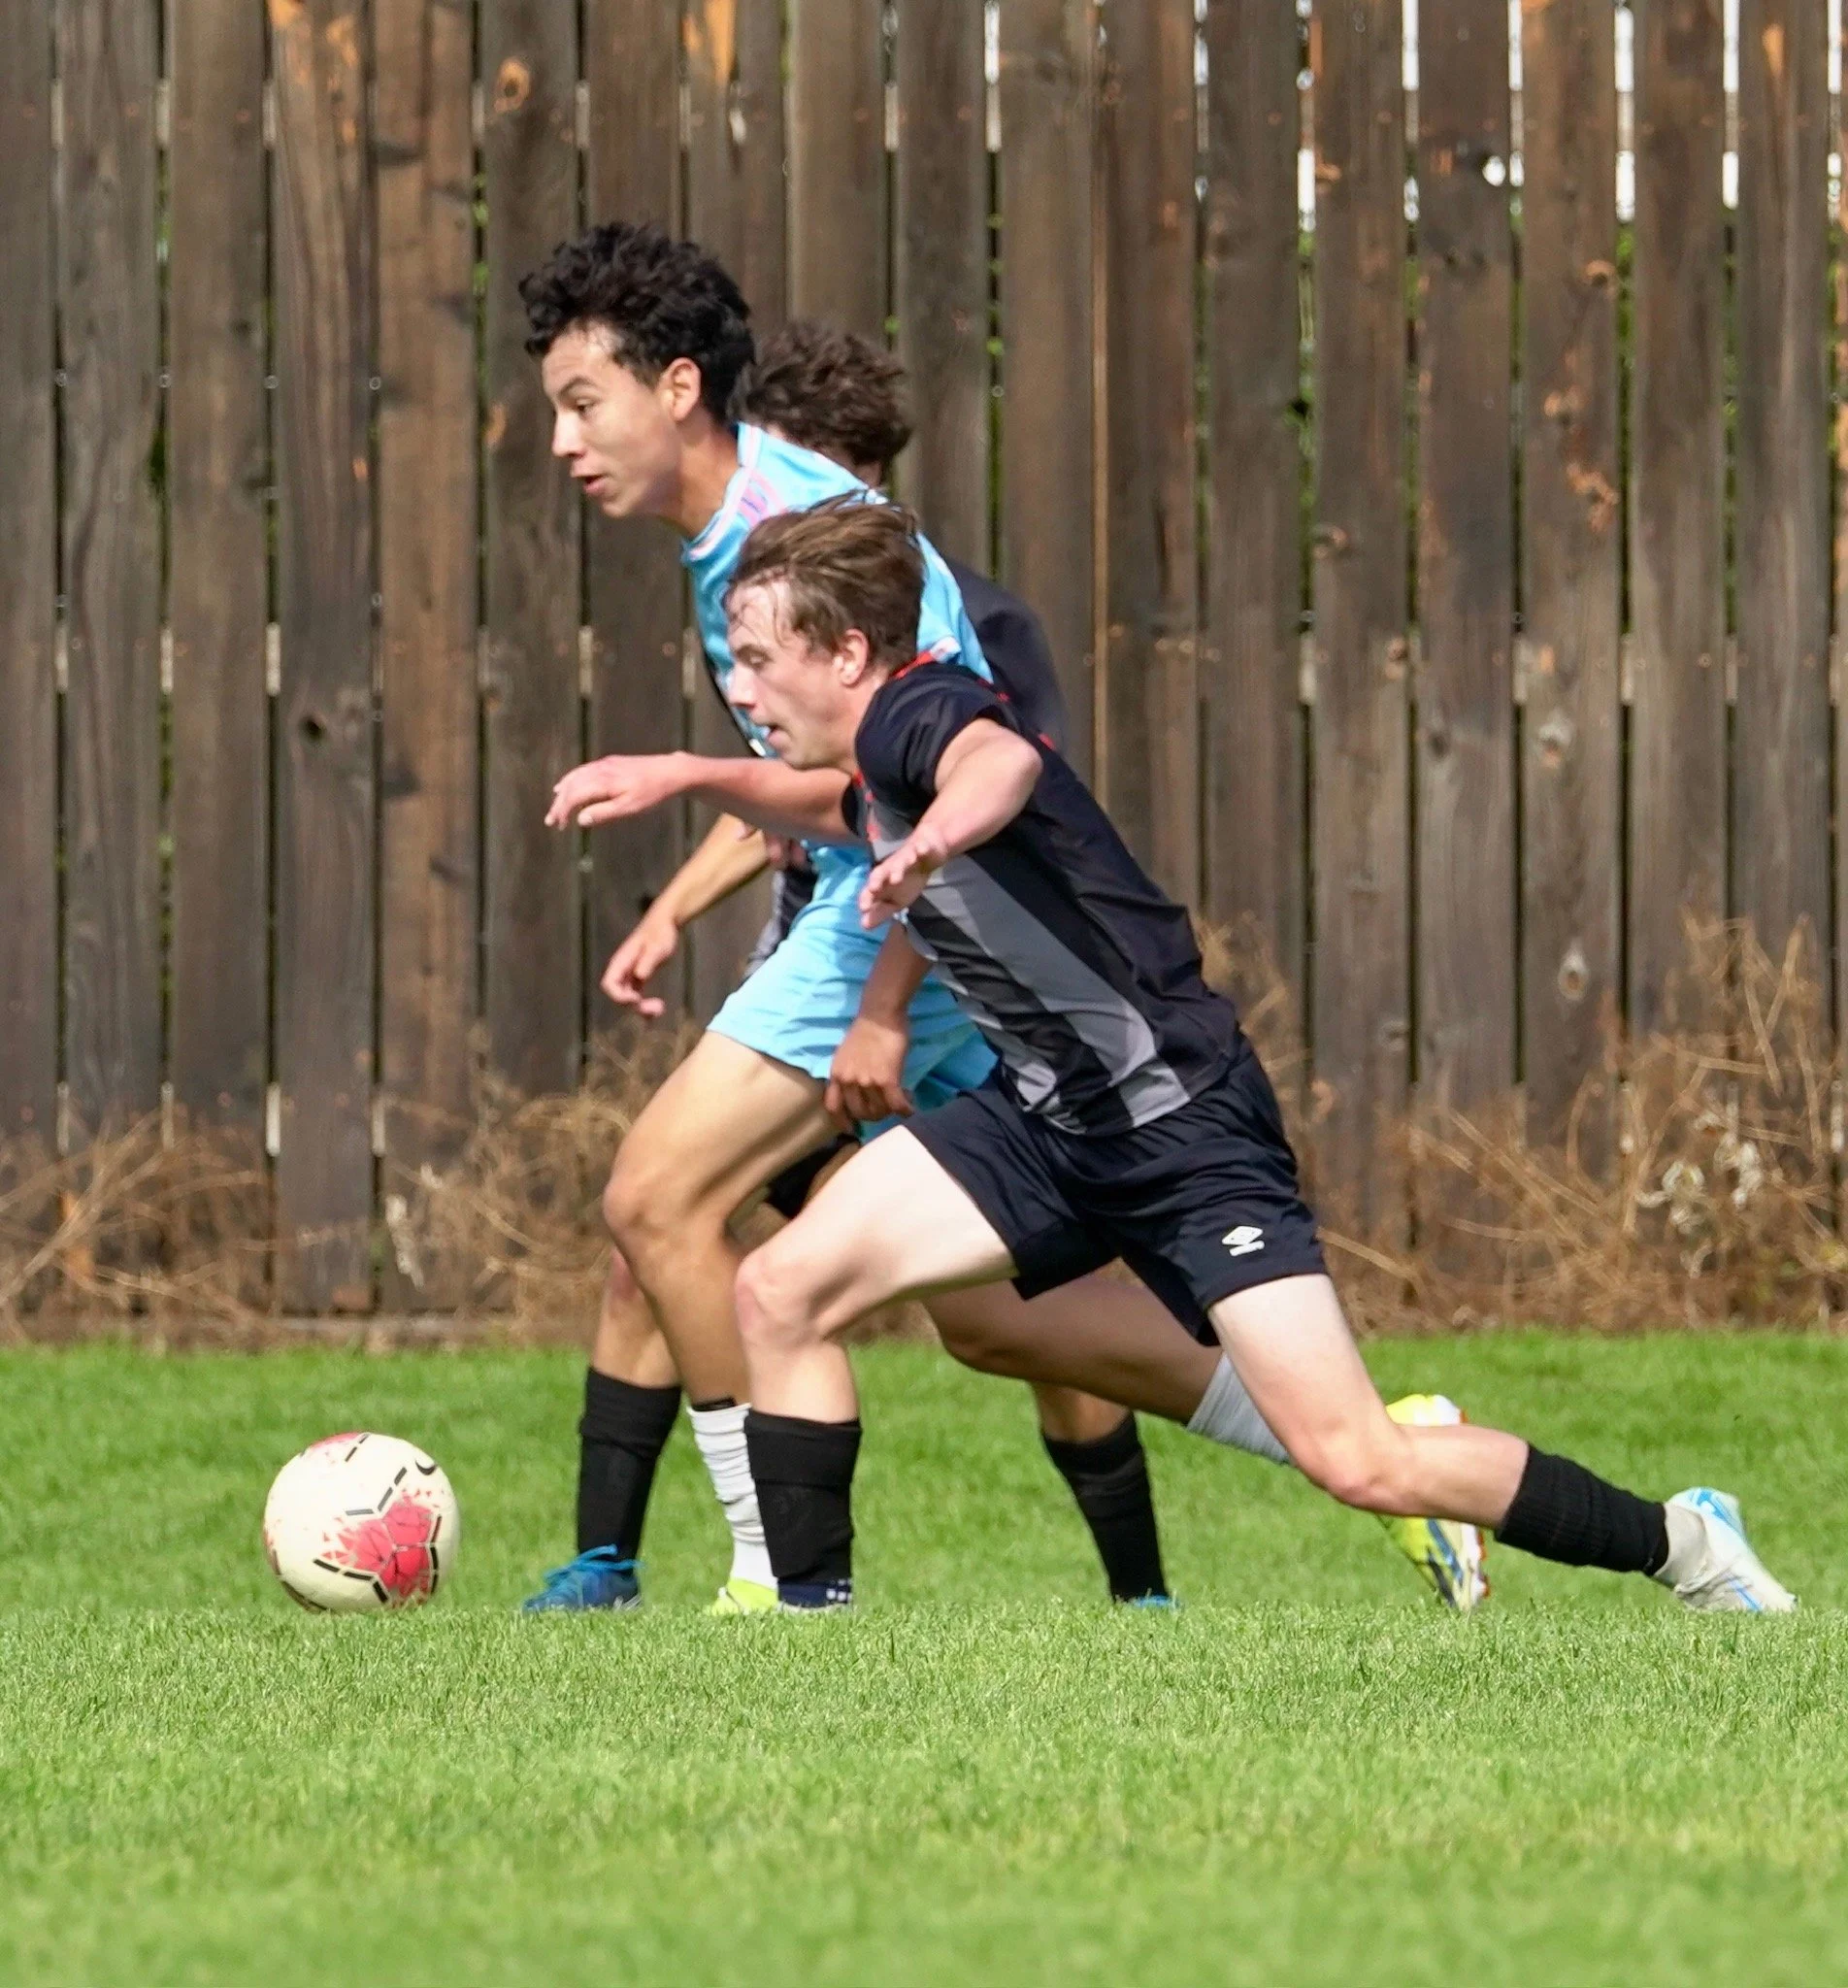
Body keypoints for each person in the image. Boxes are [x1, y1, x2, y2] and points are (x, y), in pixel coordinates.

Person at [519, 222, 1481, 1616]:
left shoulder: (797, 530)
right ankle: (1399, 1458)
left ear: (676, 389)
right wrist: (684, 880)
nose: (562, 440)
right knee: (992, 1320)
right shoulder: (720, 532)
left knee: (654, 1197)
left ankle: (758, 1579)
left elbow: (963, 776)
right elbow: (827, 782)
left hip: (901, 931)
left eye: (579, 403)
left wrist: (881, 1004)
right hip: (917, 935)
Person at [711, 494, 1796, 1617]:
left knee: (1360, 1458)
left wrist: (936, 837)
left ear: (846, 653)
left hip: (1179, 1128)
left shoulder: (918, 717)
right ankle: (811, 1629)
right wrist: (674, 778)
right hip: (1045, 1123)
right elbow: (822, 806)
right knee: (783, 1289)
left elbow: (998, 763)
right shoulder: (875, 761)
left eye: (753, 658)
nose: (738, 687)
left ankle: (1687, 1542)